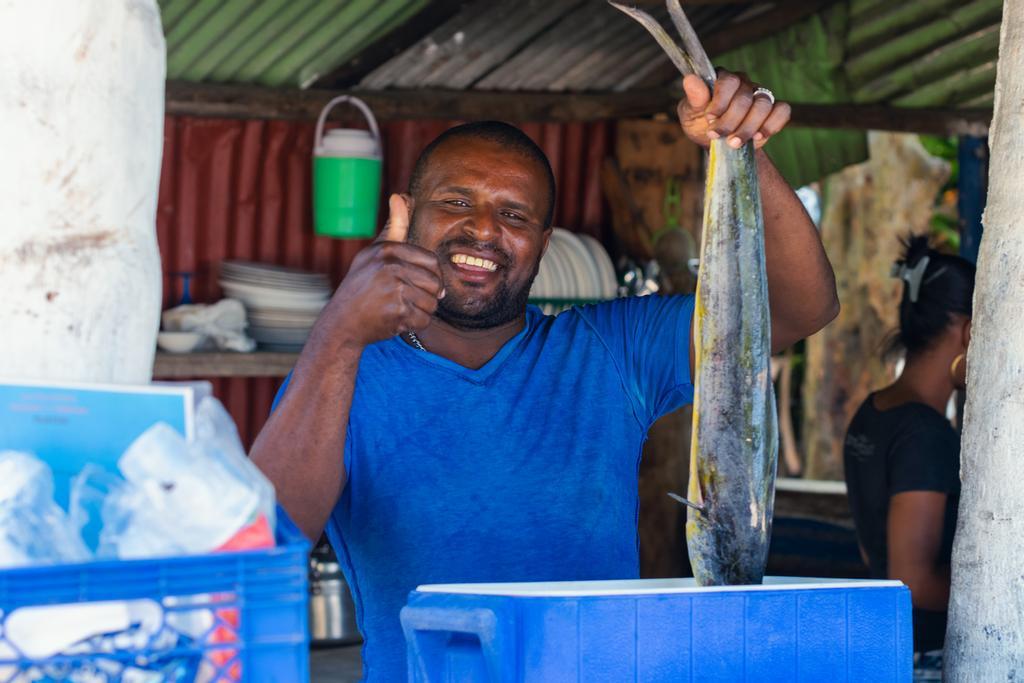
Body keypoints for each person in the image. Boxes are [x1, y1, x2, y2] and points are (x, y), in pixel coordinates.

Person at [251, 72, 838, 679]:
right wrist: (339, 331)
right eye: (455, 201)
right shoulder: (346, 371)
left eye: (514, 213)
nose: (482, 228)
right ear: (407, 212)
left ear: (543, 241)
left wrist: (740, 150)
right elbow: (264, 541)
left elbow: (800, 310)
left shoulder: (611, 351)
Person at [844, 235, 975, 655]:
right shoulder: (926, 434)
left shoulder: (872, 412)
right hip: (924, 652)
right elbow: (912, 583)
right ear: (970, 332)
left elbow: (873, 552)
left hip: (888, 639)